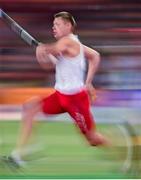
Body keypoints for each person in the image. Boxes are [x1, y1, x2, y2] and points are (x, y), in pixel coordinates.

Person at [10, 11, 108, 166]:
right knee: (30, 108)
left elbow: (53, 49)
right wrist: (88, 82)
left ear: (68, 26)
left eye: (57, 24)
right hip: (60, 96)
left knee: (93, 139)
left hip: (76, 100)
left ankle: (120, 149)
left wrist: (44, 49)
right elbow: (94, 56)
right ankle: (20, 154)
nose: (53, 28)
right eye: (53, 25)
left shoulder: (68, 42)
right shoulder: (71, 46)